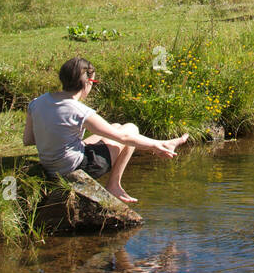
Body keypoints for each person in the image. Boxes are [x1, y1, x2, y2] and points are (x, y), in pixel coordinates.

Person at [25, 57, 189, 204]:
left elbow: (29, 140)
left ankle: (114, 184)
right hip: (74, 167)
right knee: (130, 129)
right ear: (87, 82)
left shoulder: (37, 102)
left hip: (50, 164)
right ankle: (114, 186)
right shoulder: (78, 110)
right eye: (93, 83)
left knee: (116, 126)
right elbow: (123, 137)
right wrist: (159, 145)